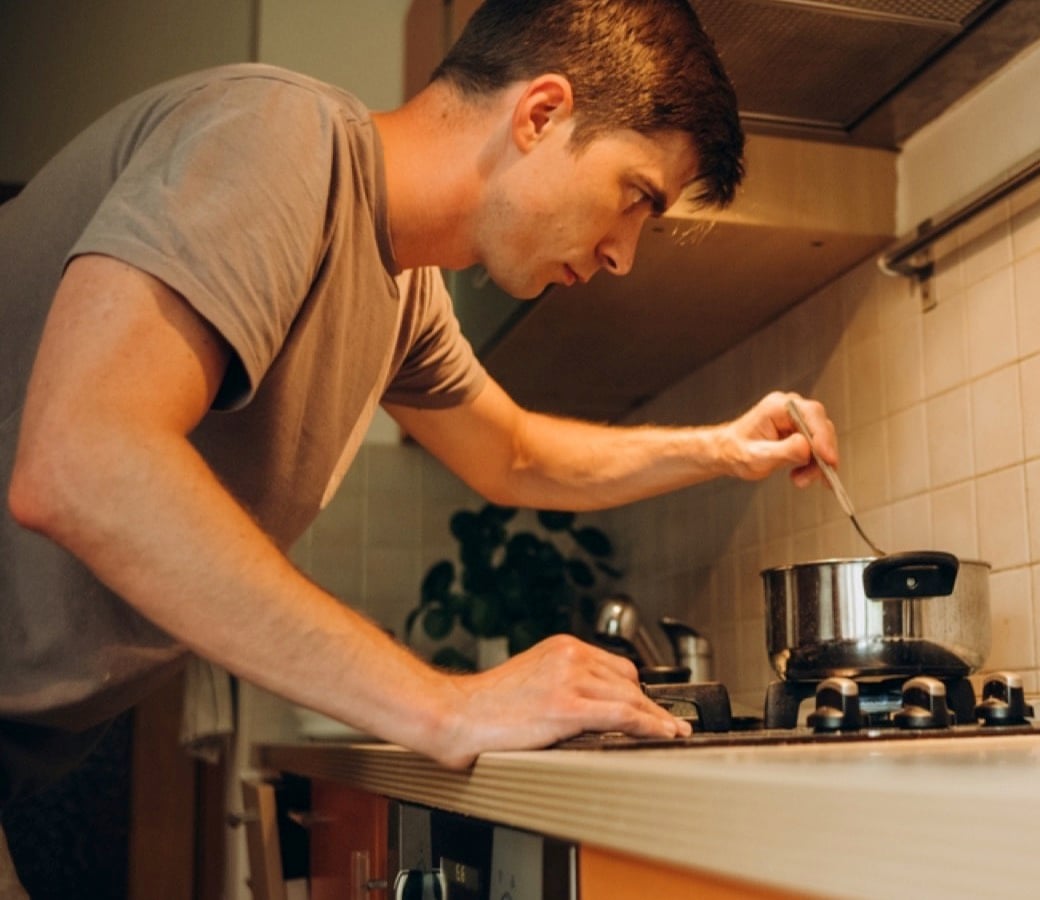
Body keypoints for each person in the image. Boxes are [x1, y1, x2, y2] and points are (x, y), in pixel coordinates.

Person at [1, 0, 837, 841]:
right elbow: (82, 458)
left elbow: (510, 454)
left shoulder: (404, 293)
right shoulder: (278, 137)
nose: (623, 254)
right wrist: (444, 704)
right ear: (541, 114)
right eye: (635, 197)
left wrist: (721, 449)